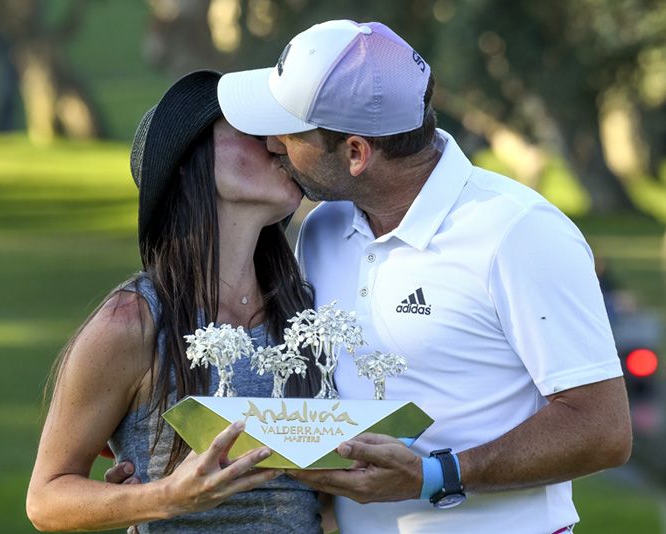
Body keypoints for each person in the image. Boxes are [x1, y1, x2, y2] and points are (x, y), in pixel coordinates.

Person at [214, 19, 633, 534]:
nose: (272, 146)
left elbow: (602, 429)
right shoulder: (323, 227)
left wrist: (435, 476)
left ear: (355, 153)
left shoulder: (518, 232)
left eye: (288, 133)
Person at [26, 70, 325, 533]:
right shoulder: (134, 323)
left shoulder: (306, 313)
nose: (279, 145)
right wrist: (164, 498)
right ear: (188, 161)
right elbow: (45, 498)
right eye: (251, 130)